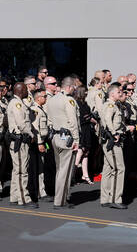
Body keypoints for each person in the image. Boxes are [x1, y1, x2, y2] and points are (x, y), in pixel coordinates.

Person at [45, 77, 80, 209]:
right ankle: (60, 201)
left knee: (60, 170)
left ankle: (61, 198)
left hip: (55, 136)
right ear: (70, 87)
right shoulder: (68, 100)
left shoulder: (52, 100)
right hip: (67, 138)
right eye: (74, 87)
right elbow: (73, 122)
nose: (75, 89)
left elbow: (48, 120)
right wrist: (76, 140)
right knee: (64, 171)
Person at [98, 83, 130, 209]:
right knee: (119, 168)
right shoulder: (111, 105)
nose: (120, 94)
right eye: (118, 92)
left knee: (108, 169)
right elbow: (107, 120)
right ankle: (115, 198)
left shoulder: (109, 104)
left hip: (108, 139)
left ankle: (105, 198)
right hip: (112, 140)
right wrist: (114, 133)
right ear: (112, 94)